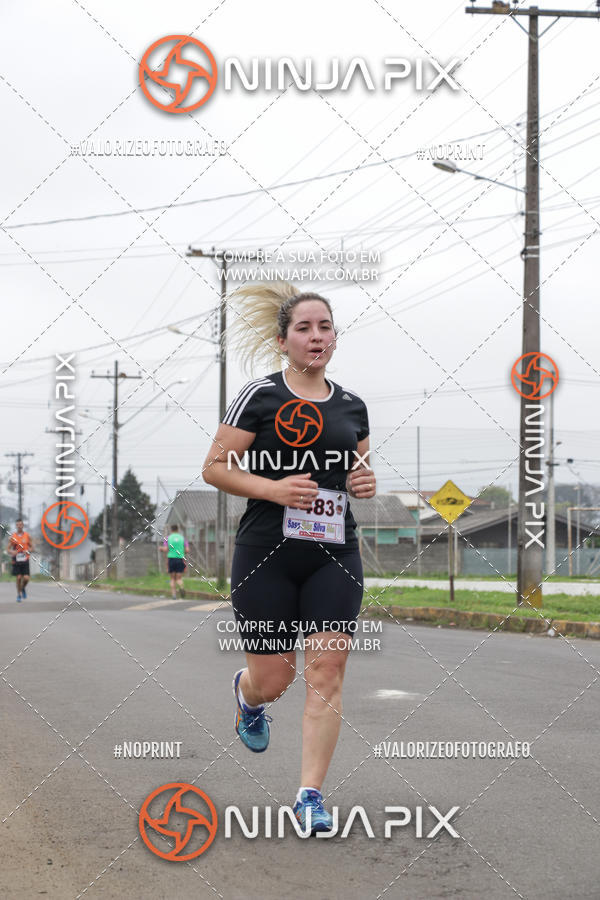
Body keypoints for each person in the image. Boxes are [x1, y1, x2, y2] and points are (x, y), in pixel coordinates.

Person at [202, 281, 376, 834]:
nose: (316, 336)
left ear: (334, 338)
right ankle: (248, 696)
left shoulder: (353, 406)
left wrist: (365, 482)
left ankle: (309, 796)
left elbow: (357, 474)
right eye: (304, 328)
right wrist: (274, 490)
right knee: (276, 679)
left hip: (333, 552)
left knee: (327, 669)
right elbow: (214, 468)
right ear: (284, 342)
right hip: (266, 553)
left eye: (324, 327)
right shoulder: (260, 396)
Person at [159, 524, 189, 599]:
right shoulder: (183, 538)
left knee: (172, 578)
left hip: (171, 559)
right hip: (180, 559)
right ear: (178, 530)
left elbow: (165, 549)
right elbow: (187, 550)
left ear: (171, 530)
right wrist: (181, 551)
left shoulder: (168, 538)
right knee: (179, 578)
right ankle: (181, 587)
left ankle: (174, 595)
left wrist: (161, 549)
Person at [7, 519, 34, 603]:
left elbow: (32, 547)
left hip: (25, 559)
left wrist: (28, 550)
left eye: (20, 524)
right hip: (16, 559)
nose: (19, 526)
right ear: (16, 526)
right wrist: (13, 552)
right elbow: (8, 549)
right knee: (18, 578)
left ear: (23, 526)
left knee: (26, 578)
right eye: (17, 525)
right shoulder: (13, 537)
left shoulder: (27, 536)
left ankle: (22, 588)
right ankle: (19, 595)